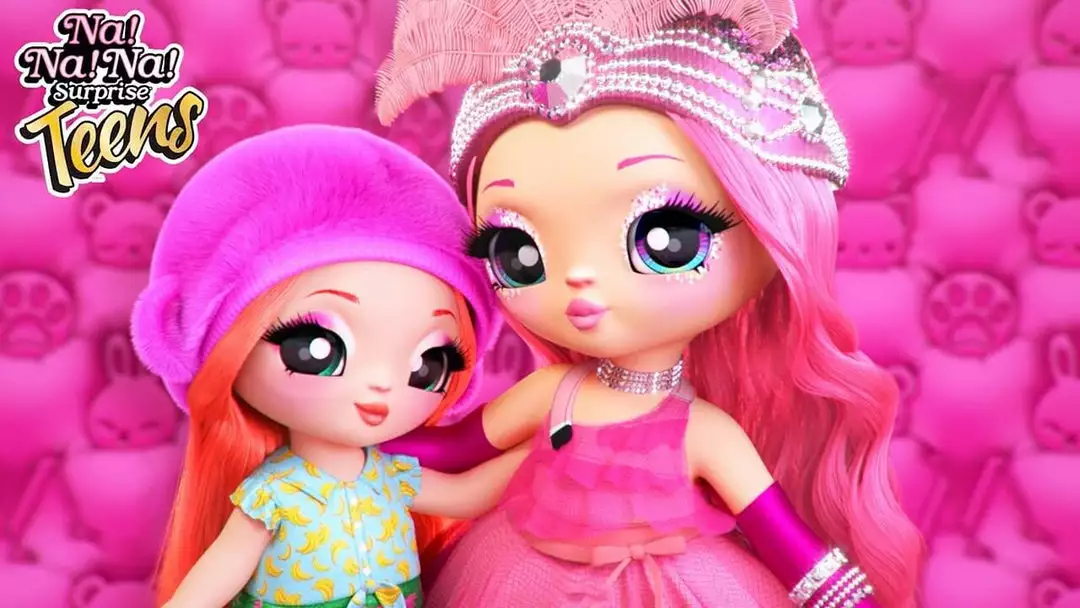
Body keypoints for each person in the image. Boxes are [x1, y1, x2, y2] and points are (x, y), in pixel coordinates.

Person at [375, 1, 924, 606]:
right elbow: (457, 449)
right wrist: (340, 435)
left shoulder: (705, 433)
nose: (579, 279)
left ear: (769, 233)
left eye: (663, 238)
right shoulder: (555, 393)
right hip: (519, 576)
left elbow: (791, 547)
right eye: (519, 251)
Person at [130, 125, 525, 608]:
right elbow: (216, 578)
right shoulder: (273, 494)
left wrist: (557, 443)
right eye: (317, 349)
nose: (381, 384)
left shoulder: (392, 476)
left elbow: (470, 495)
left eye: (429, 363)